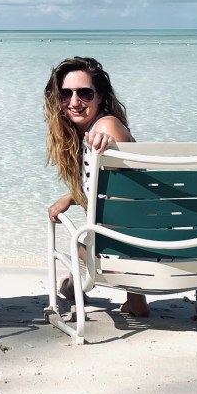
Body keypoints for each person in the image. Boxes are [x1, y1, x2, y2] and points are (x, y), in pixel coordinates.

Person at [44, 56, 148, 317]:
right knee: (103, 225)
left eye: (85, 93)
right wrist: (72, 196)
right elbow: (123, 191)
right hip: (161, 243)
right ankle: (135, 300)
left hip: (131, 252)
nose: (75, 102)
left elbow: (111, 140)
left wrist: (107, 141)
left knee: (80, 240)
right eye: (66, 94)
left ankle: (70, 285)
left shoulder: (106, 127)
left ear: (100, 96)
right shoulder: (95, 127)